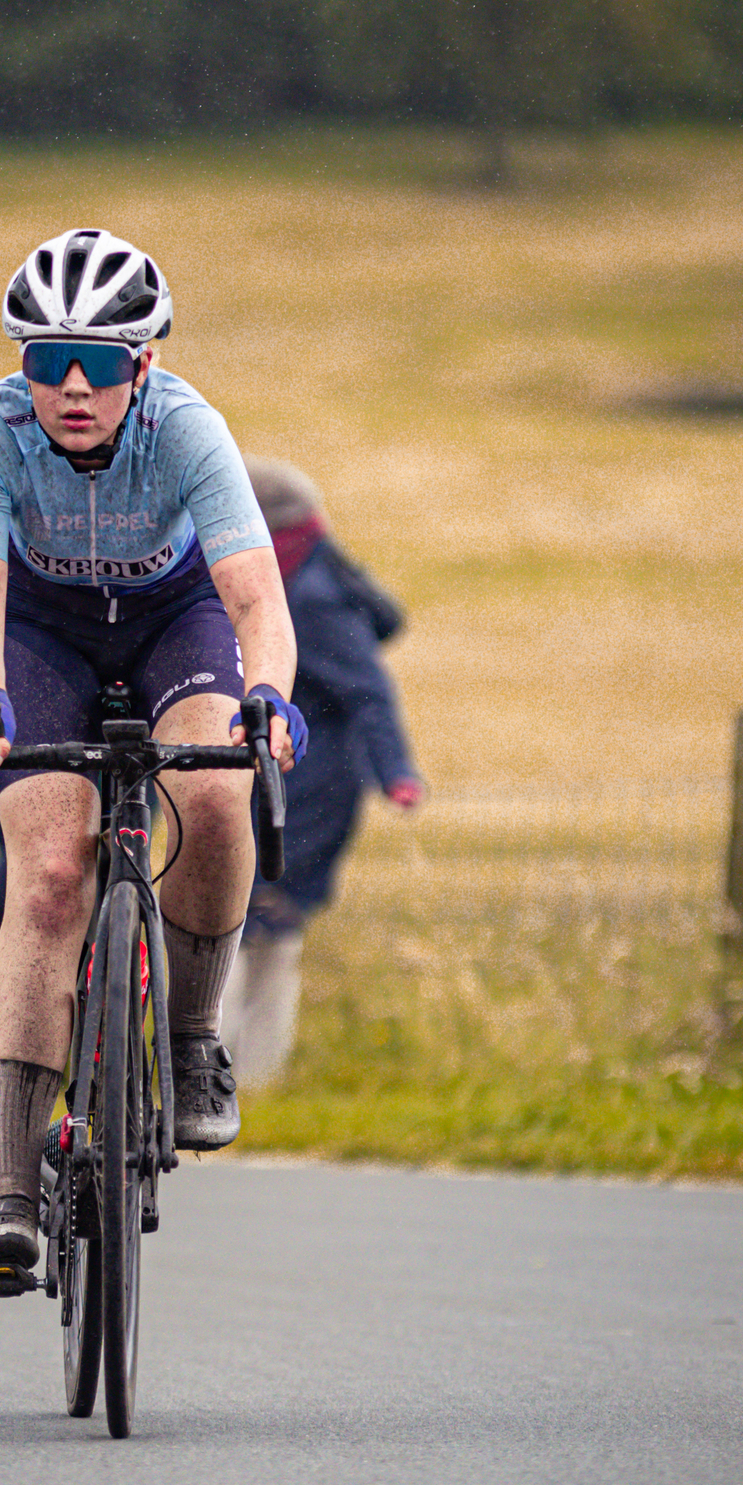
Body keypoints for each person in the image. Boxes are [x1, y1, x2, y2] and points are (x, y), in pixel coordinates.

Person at [0, 227, 305, 1285]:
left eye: (96, 365)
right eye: (42, 360)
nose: (68, 387)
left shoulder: (188, 428)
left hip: (171, 620)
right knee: (50, 875)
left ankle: (192, 1041)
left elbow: (252, 599)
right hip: (42, 634)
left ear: (140, 366)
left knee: (218, 792)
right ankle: (8, 1188)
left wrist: (267, 693)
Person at [221, 458, 425, 1090]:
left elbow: (369, 693)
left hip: (302, 798)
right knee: (259, 933)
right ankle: (245, 1082)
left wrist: (397, 772)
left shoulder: (309, 599)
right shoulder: (311, 574)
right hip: (294, 788)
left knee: (236, 930)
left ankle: (225, 1078)